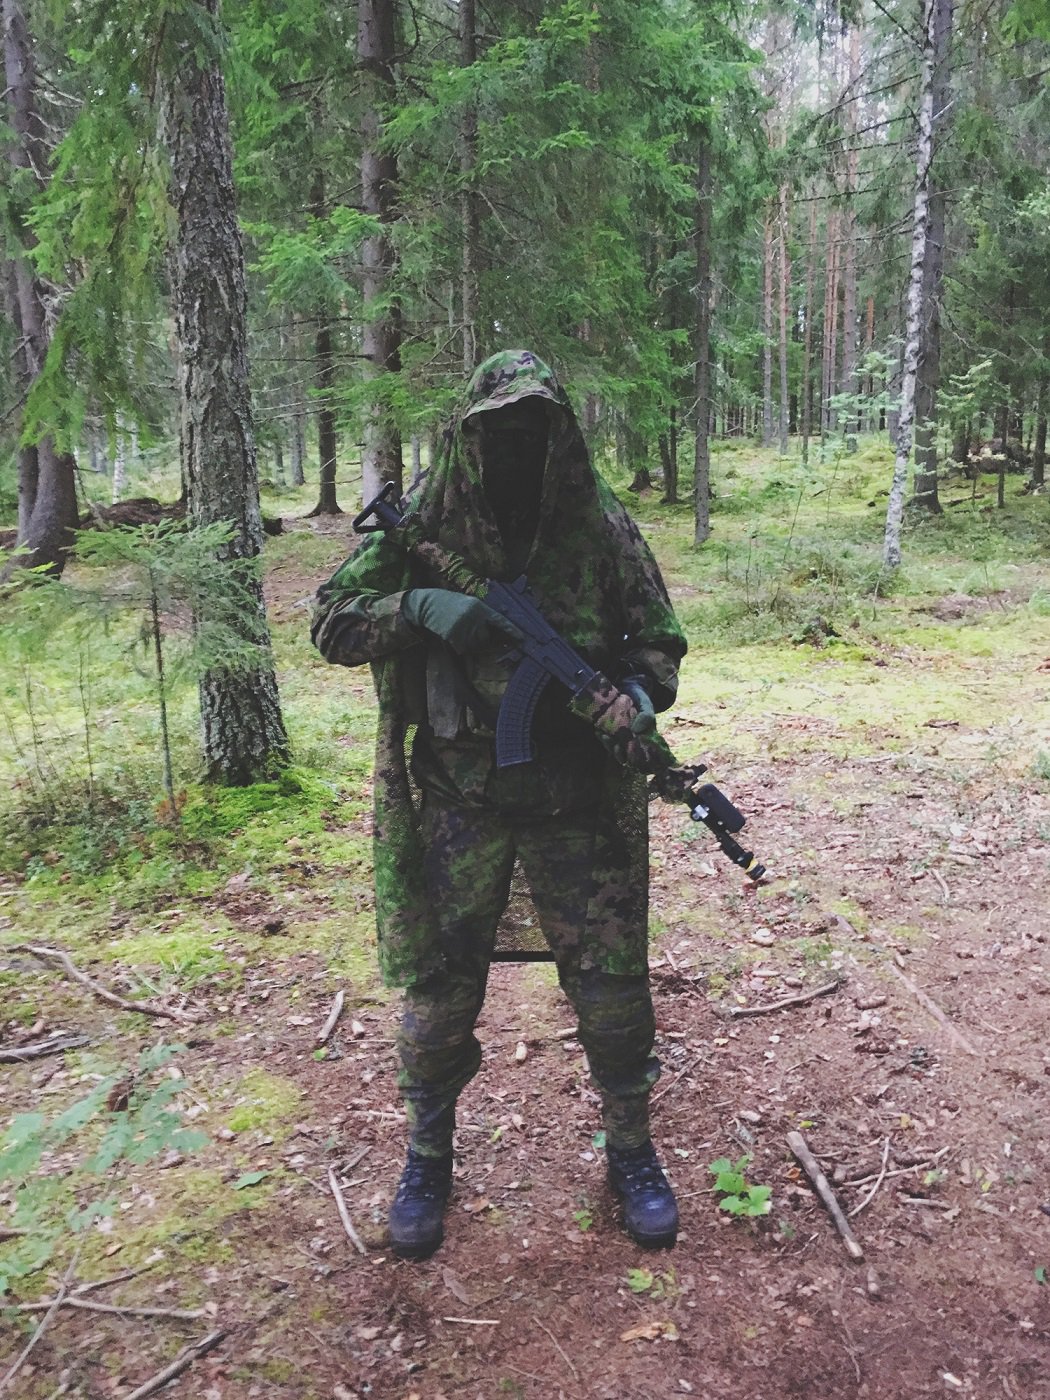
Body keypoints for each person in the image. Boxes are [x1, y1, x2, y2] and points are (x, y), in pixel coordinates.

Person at [311, 349, 688, 1260]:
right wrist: (421, 607)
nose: (517, 451)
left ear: (560, 437)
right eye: (499, 434)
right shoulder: (425, 522)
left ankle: (630, 1149)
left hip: (578, 805)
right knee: (439, 1000)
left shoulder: (596, 526)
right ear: (469, 436)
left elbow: (660, 643)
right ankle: (427, 1155)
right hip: (456, 801)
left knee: (611, 995)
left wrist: (637, 697)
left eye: (535, 432)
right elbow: (331, 620)